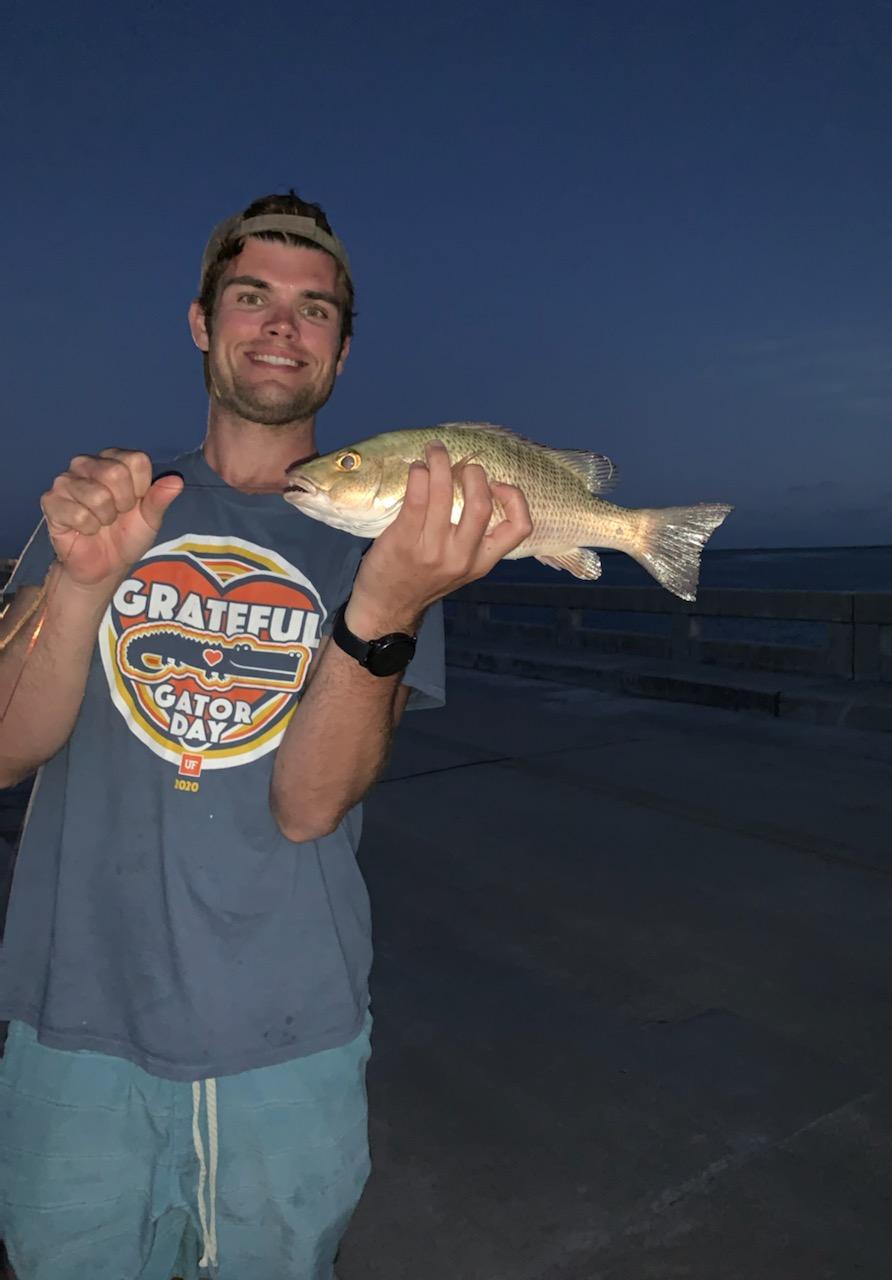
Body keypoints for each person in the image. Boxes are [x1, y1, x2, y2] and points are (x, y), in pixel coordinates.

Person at [0, 192, 532, 1280]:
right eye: (252, 297)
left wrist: (387, 604)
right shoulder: (109, 505)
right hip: (71, 1024)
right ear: (202, 322)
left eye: (315, 308)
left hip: (289, 1039)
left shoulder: (391, 546)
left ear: (342, 349)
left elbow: (309, 804)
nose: (283, 325)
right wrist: (83, 581)